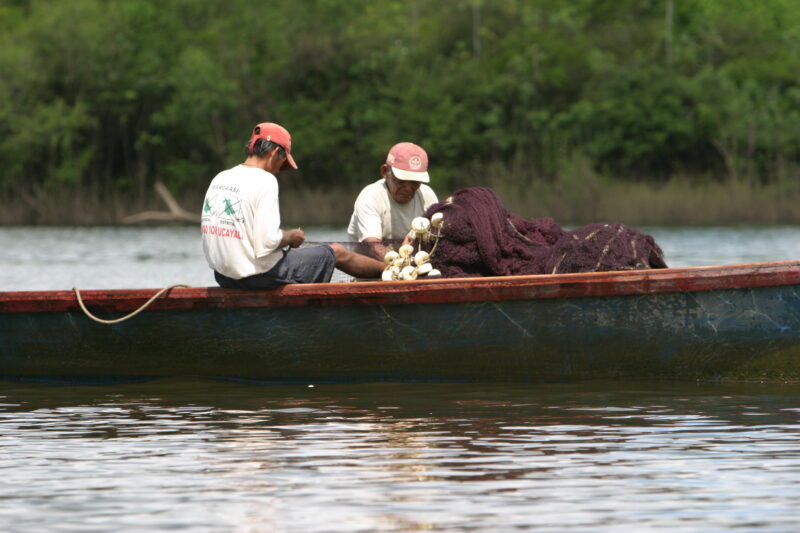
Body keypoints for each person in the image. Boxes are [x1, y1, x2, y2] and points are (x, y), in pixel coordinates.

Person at [201, 122, 385, 289]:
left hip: (224, 277)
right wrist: (291, 236)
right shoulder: (265, 180)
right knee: (337, 252)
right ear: (274, 153)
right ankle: (391, 271)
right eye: (283, 161)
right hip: (259, 277)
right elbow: (267, 243)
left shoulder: (221, 177)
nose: (280, 168)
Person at [347, 142, 438, 260]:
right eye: (401, 180)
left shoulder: (427, 195)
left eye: (415, 181)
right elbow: (372, 245)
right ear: (385, 172)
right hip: (370, 272)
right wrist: (400, 261)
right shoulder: (370, 197)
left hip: (414, 270)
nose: (407, 188)